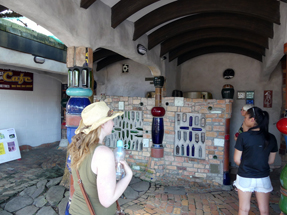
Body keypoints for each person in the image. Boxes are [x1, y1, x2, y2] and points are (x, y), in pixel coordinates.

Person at [68, 101, 133, 215]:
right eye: (111, 119)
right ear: (102, 124)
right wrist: (128, 175)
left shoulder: (78, 147)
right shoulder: (104, 153)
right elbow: (107, 201)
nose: (113, 123)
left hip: (76, 210)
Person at [233, 107, 278, 215]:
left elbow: (236, 159)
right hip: (263, 176)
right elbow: (271, 161)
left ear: (252, 119)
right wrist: (259, 164)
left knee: (243, 209)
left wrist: (247, 165)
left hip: (245, 176)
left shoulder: (243, 136)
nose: (244, 120)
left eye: (246, 118)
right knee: (264, 210)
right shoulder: (271, 137)